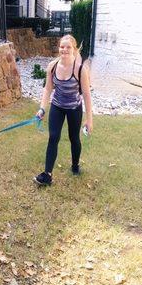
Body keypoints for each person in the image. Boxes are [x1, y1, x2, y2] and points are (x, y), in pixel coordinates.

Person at [33, 34, 93, 186]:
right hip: (57, 106)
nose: (64, 49)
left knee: (74, 138)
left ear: (74, 49)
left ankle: (75, 166)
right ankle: (47, 175)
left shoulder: (80, 70)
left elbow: (86, 94)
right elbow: (47, 89)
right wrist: (42, 109)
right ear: (59, 48)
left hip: (74, 108)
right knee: (53, 137)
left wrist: (89, 120)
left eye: (68, 47)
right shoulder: (52, 66)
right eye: (62, 46)